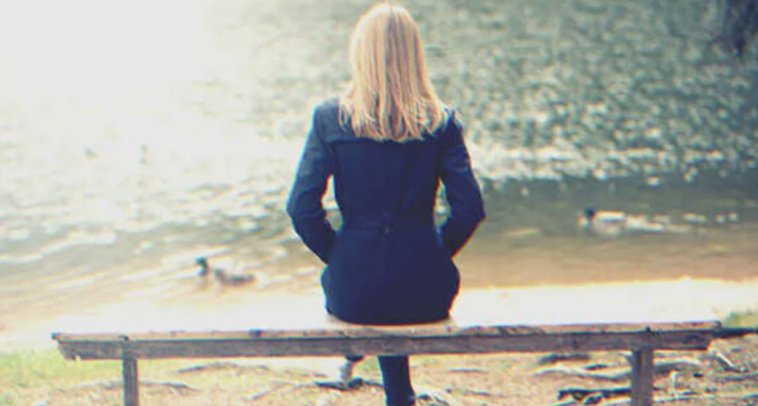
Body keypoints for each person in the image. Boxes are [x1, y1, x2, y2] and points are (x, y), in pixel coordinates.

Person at [286, 2, 485, 405]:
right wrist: (432, 252)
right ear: (415, 56)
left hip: (354, 289)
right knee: (397, 283)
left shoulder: (331, 118)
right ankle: (399, 395)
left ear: (360, 52)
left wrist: (342, 254)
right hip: (427, 288)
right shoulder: (442, 123)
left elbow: (301, 208)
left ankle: (398, 393)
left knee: (377, 287)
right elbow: (469, 210)